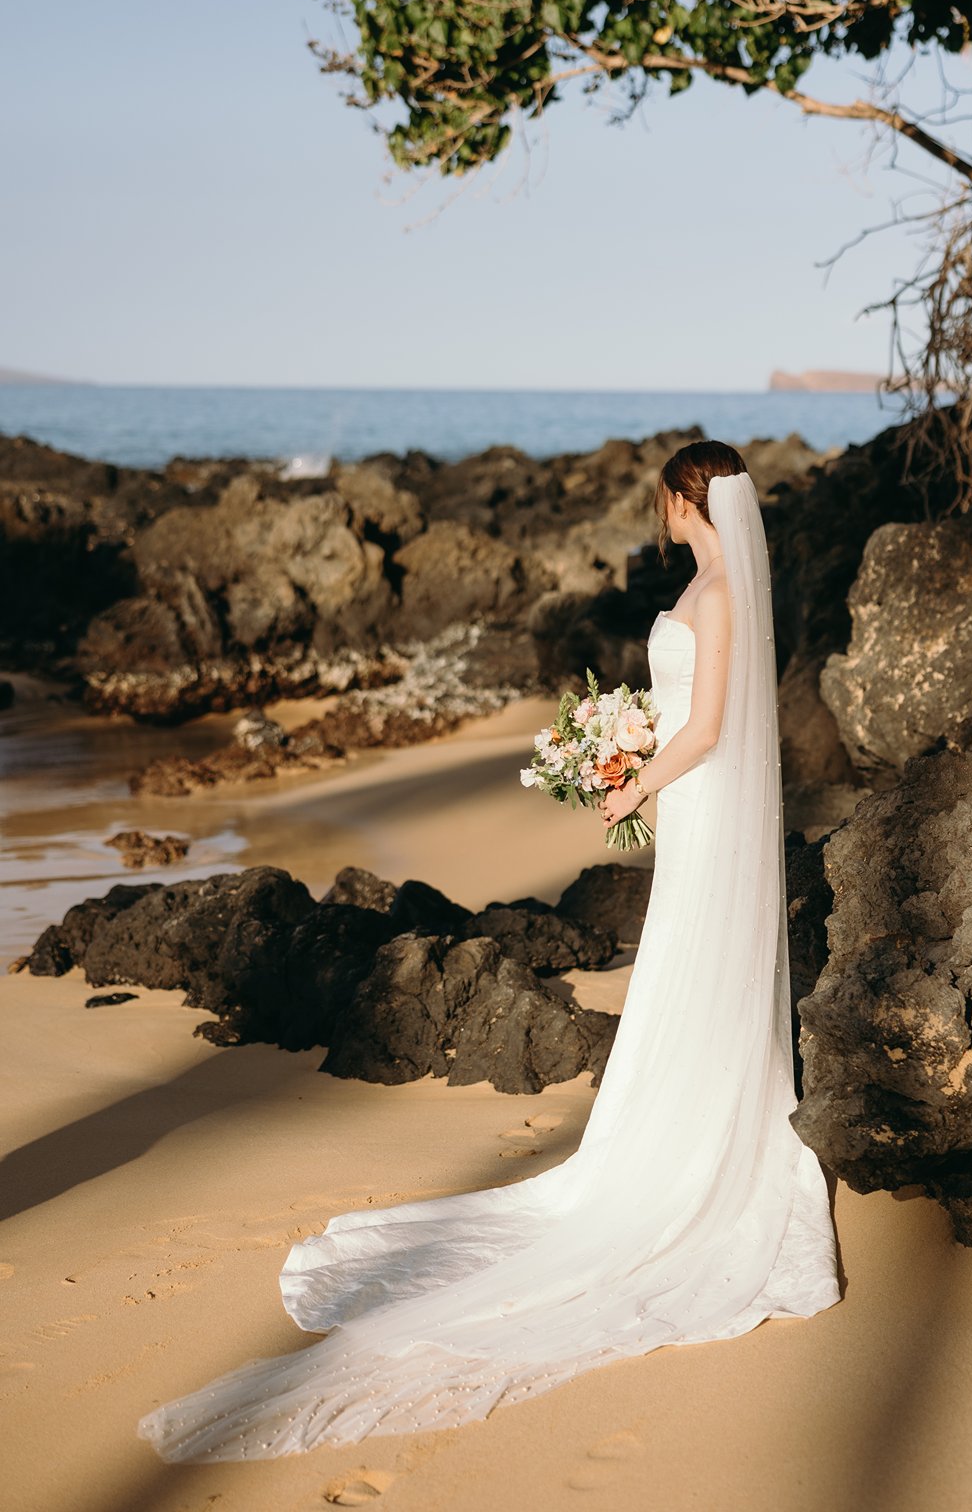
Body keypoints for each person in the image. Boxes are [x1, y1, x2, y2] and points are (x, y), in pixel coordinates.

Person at [138, 439, 841, 1463]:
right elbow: (686, 715)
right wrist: (630, 746)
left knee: (698, 951)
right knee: (683, 957)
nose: (663, 514)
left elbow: (714, 726)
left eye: (666, 500)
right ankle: (686, 1107)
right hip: (687, 797)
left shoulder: (724, 591)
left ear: (687, 499)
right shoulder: (707, 582)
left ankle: (704, 1131)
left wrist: (638, 778)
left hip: (699, 793)